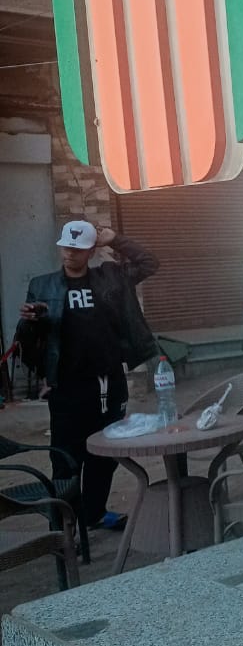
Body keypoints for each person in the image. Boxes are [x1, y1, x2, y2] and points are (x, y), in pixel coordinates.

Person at [17, 220, 159, 531]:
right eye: (66, 247)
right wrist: (29, 322)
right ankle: (64, 525)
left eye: (78, 249)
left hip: (109, 381)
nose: (70, 253)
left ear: (91, 251)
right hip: (67, 386)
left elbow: (149, 262)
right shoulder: (43, 286)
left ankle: (94, 514)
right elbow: (30, 342)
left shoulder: (111, 276)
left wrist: (115, 239)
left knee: (105, 453)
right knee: (66, 457)